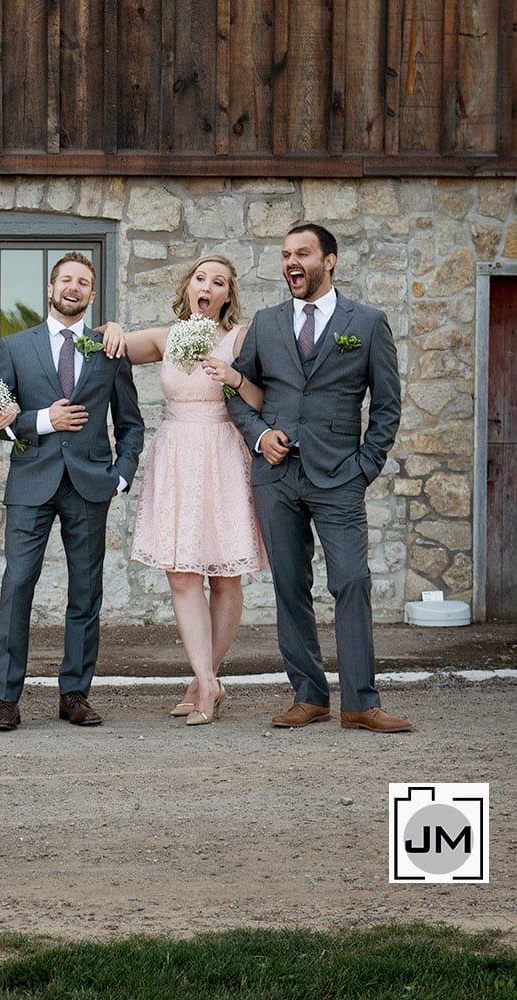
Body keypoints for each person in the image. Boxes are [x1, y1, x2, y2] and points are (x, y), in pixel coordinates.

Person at [225, 224, 410, 733]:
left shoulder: (367, 323)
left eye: (302, 253)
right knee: (290, 584)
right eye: (285, 254)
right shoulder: (265, 323)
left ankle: (360, 703)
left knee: (351, 580)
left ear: (329, 261)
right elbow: (237, 391)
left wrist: (364, 467)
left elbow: (388, 406)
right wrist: (260, 436)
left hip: (339, 477)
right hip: (277, 477)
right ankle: (308, 696)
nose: (291, 262)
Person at [101, 255, 268, 726]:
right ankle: (207, 680)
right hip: (176, 454)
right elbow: (103, 348)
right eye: (201, 278)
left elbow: (262, 398)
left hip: (223, 454)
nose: (208, 286)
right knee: (181, 574)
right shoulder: (165, 337)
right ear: (189, 286)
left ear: (228, 296)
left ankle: (203, 682)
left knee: (225, 575)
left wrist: (232, 376)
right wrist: (112, 325)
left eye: (219, 282)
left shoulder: (241, 337)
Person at [0, 252, 144, 730]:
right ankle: (7, 698)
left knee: (85, 591)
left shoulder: (108, 348)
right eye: (65, 280)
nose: (73, 287)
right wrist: (40, 421)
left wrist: (121, 474)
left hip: (90, 484)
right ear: (50, 290)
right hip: (31, 481)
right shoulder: (15, 346)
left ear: (91, 296)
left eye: (83, 282)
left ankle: (74, 693)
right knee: (17, 587)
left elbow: (131, 423)